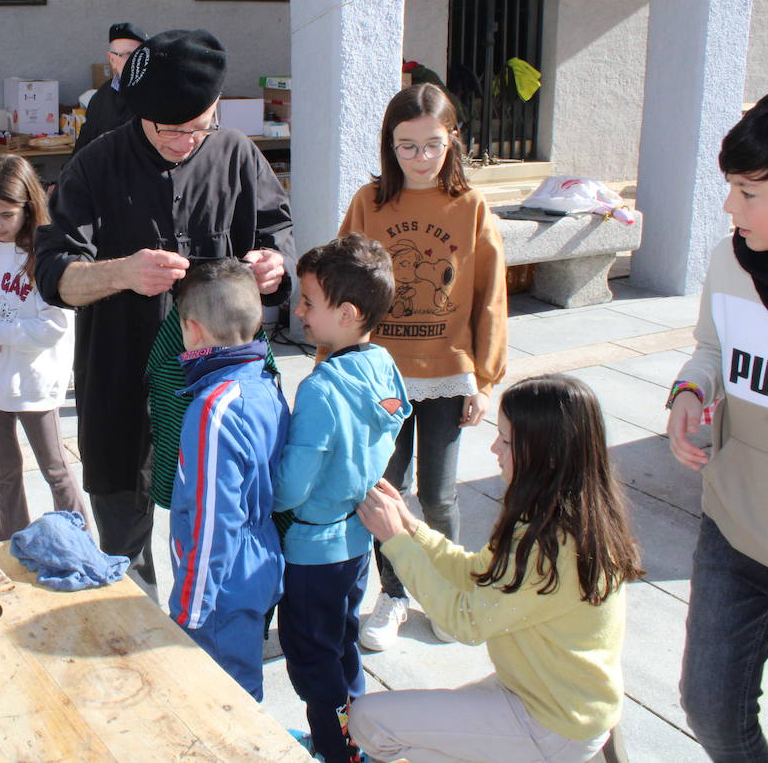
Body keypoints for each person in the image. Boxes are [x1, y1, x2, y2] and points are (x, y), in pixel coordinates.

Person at [34, 28, 294, 588]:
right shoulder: (94, 165)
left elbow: (280, 235)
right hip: (120, 373)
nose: (184, 142)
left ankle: (220, 613)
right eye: (170, 130)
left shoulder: (237, 155)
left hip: (220, 382)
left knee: (223, 517)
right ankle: (132, 613)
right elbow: (52, 276)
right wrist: (119, 272)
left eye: (198, 128)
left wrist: (275, 267)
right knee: (122, 527)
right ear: (140, 113)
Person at [352, 373, 643, 763]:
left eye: (506, 441)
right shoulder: (564, 514)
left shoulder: (550, 542)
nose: (493, 448)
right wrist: (411, 527)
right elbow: (478, 573)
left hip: (553, 723)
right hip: (553, 700)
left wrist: (396, 542)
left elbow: (465, 621)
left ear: (548, 454)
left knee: (369, 720)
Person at [341, 83, 508, 652]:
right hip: (381, 375)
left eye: (431, 145)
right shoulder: (370, 201)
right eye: (406, 146)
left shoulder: (471, 206)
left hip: (446, 376)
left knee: (438, 496)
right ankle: (393, 594)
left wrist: (484, 378)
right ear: (390, 145)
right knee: (387, 489)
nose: (419, 157)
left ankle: (448, 592)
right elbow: (343, 285)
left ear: (452, 140)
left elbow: (490, 294)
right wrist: (334, 364)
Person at [666, 85, 768, 762]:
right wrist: (690, 392)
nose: (729, 208)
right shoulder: (731, 260)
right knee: (711, 709)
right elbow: (712, 349)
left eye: (750, 192)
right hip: (733, 533)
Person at [273, 235, 410, 763]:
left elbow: (292, 487)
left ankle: (338, 748)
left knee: (312, 659)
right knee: (342, 641)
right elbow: (392, 423)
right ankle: (360, 732)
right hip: (355, 543)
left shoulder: (321, 389)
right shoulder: (382, 365)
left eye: (309, 301)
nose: (298, 310)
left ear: (347, 313)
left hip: (312, 550)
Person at [167, 259, 288, 701]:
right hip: (255, 566)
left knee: (226, 698)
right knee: (243, 679)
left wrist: (190, 609)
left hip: (221, 586)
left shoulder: (213, 410)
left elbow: (213, 521)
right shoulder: (264, 384)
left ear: (193, 331)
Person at [0, 154, 92, 540]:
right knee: (4, 472)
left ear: (29, 208)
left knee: (55, 469)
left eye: (6, 214)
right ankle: (11, 546)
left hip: (35, 385)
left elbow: (54, 325)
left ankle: (80, 543)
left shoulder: (47, 256)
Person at [73, 21, 146, 153]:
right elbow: (83, 147)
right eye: (127, 55)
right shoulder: (100, 97)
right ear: (112, 59)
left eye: (138, 54)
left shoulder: (156, 92)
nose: (134, 61)